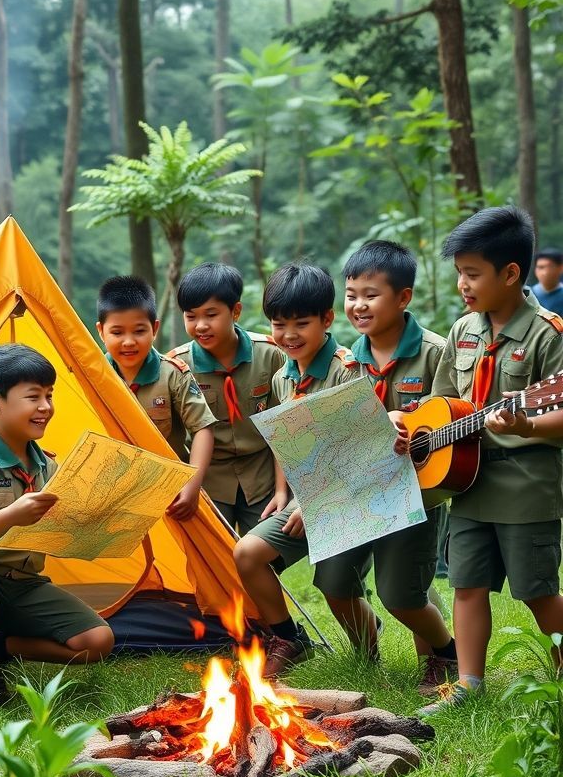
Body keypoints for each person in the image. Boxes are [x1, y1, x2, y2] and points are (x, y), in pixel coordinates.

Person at [419, 207, 563, 715]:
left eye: (472, 273)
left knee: (535, 590)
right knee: (467, 584)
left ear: (510, 273)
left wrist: (527, 426)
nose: (462, 284)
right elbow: (441, 402)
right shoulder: (463, 330)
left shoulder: (548, 334)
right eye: (459, 272)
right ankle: (468, 685)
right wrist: (412, 422)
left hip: (526, 484)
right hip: (468, 481)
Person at [0, 344, 114, 704]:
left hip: (22, 583)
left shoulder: (48, 465)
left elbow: (61, 528)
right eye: (33, 397)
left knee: (97, 641)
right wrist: (11, 514)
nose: (46, 407)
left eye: (49, 395)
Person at [232, 262, 362, 677]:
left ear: (327, 319)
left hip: (347, 494)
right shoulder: (283, 377)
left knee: (336, 588)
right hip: (306, 496)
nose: (288, 335)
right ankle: (290, 637)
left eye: (301, 324)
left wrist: (315, 503)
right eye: (278, 324)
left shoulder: (347, 369)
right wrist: (282, 493)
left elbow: (357, 446)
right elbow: (285, 439)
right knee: (247, 553)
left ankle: (367, 652)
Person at [341, 240, 457, 693]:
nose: (359, 305)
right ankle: (372, 656)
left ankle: (445, 654)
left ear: (403, 297)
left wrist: (407, 419)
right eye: (351, 294)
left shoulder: (436, 352)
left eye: (370, 295)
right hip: (366, 493)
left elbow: (454, 412)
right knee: (339, 579)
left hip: (420, 491)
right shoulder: (347, 363)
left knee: (399, 593)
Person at [168, 263, 288, 533]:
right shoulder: (177, 367)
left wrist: (283, 489)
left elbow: (283, 427)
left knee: (265, 550)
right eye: (191, 316)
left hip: (263, 476)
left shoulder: (270, 355)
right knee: (211, 553)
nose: (201, 325)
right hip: (207, 480)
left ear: (235, 311)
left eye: (211, 314)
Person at [96, 276, 217, 520]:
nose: (129, 341)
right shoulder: (93, 376)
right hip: (115, 493)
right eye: (117, 332)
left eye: (139, 331)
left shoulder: (173, 373)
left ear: (155, 328)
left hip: (170, 492)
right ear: (101, 331)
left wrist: (192, 485)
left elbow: (203, 428)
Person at [531, 247, 563, 315]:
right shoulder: (527, 295)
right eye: (540, 267)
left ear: (560, 268)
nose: (545, 272)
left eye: (550, 267)